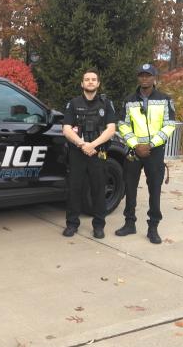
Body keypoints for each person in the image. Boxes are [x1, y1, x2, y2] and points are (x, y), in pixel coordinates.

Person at [115, 63, 176, 244]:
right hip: (134, 150)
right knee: (130, 186)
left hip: (154, 151)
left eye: (148, 75)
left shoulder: (165, 99)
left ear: (154, 78)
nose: (145, 78)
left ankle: (153, 227)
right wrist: (135, 144)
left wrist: (150, 144)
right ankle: (129, 223)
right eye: (141, 75)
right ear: (138, 78)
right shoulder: (129, 100)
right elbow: (123, 125)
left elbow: (169, 124)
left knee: (154, 189)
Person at [61, 68, 117, 239]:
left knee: (98, 190)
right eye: (87, 79)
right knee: (74, 189)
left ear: (98, 83)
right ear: (82, 83)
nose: (90, 82)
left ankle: (98, 226)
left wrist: (93, 144)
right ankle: (72, 224)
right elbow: (66, 129)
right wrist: (81, 144)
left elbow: (111, 129)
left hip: (98, 152)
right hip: (78, 153)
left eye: (93, 79)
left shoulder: (106, 104)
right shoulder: (73, 103)